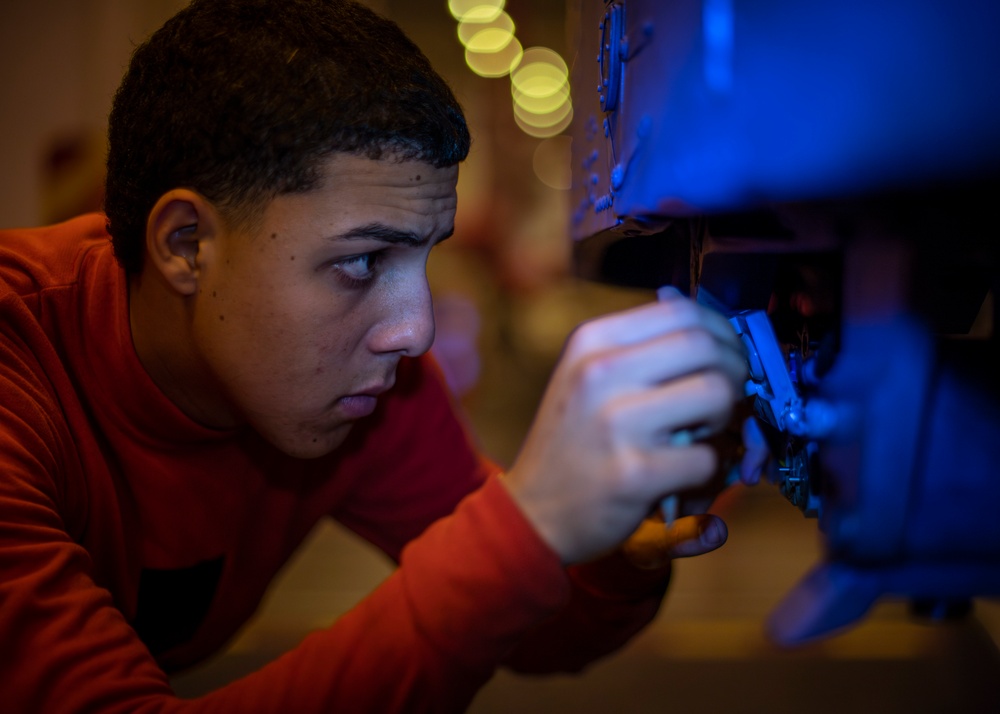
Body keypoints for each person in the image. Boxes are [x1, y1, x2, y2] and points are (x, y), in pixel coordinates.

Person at [0, 0, 748, 711]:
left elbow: (523, 623)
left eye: (423, 258)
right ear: (187, 246)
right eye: (361, 262)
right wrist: (529, 523)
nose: (414, 331)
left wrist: (612, 547)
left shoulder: (372, 389)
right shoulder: (19, 368)